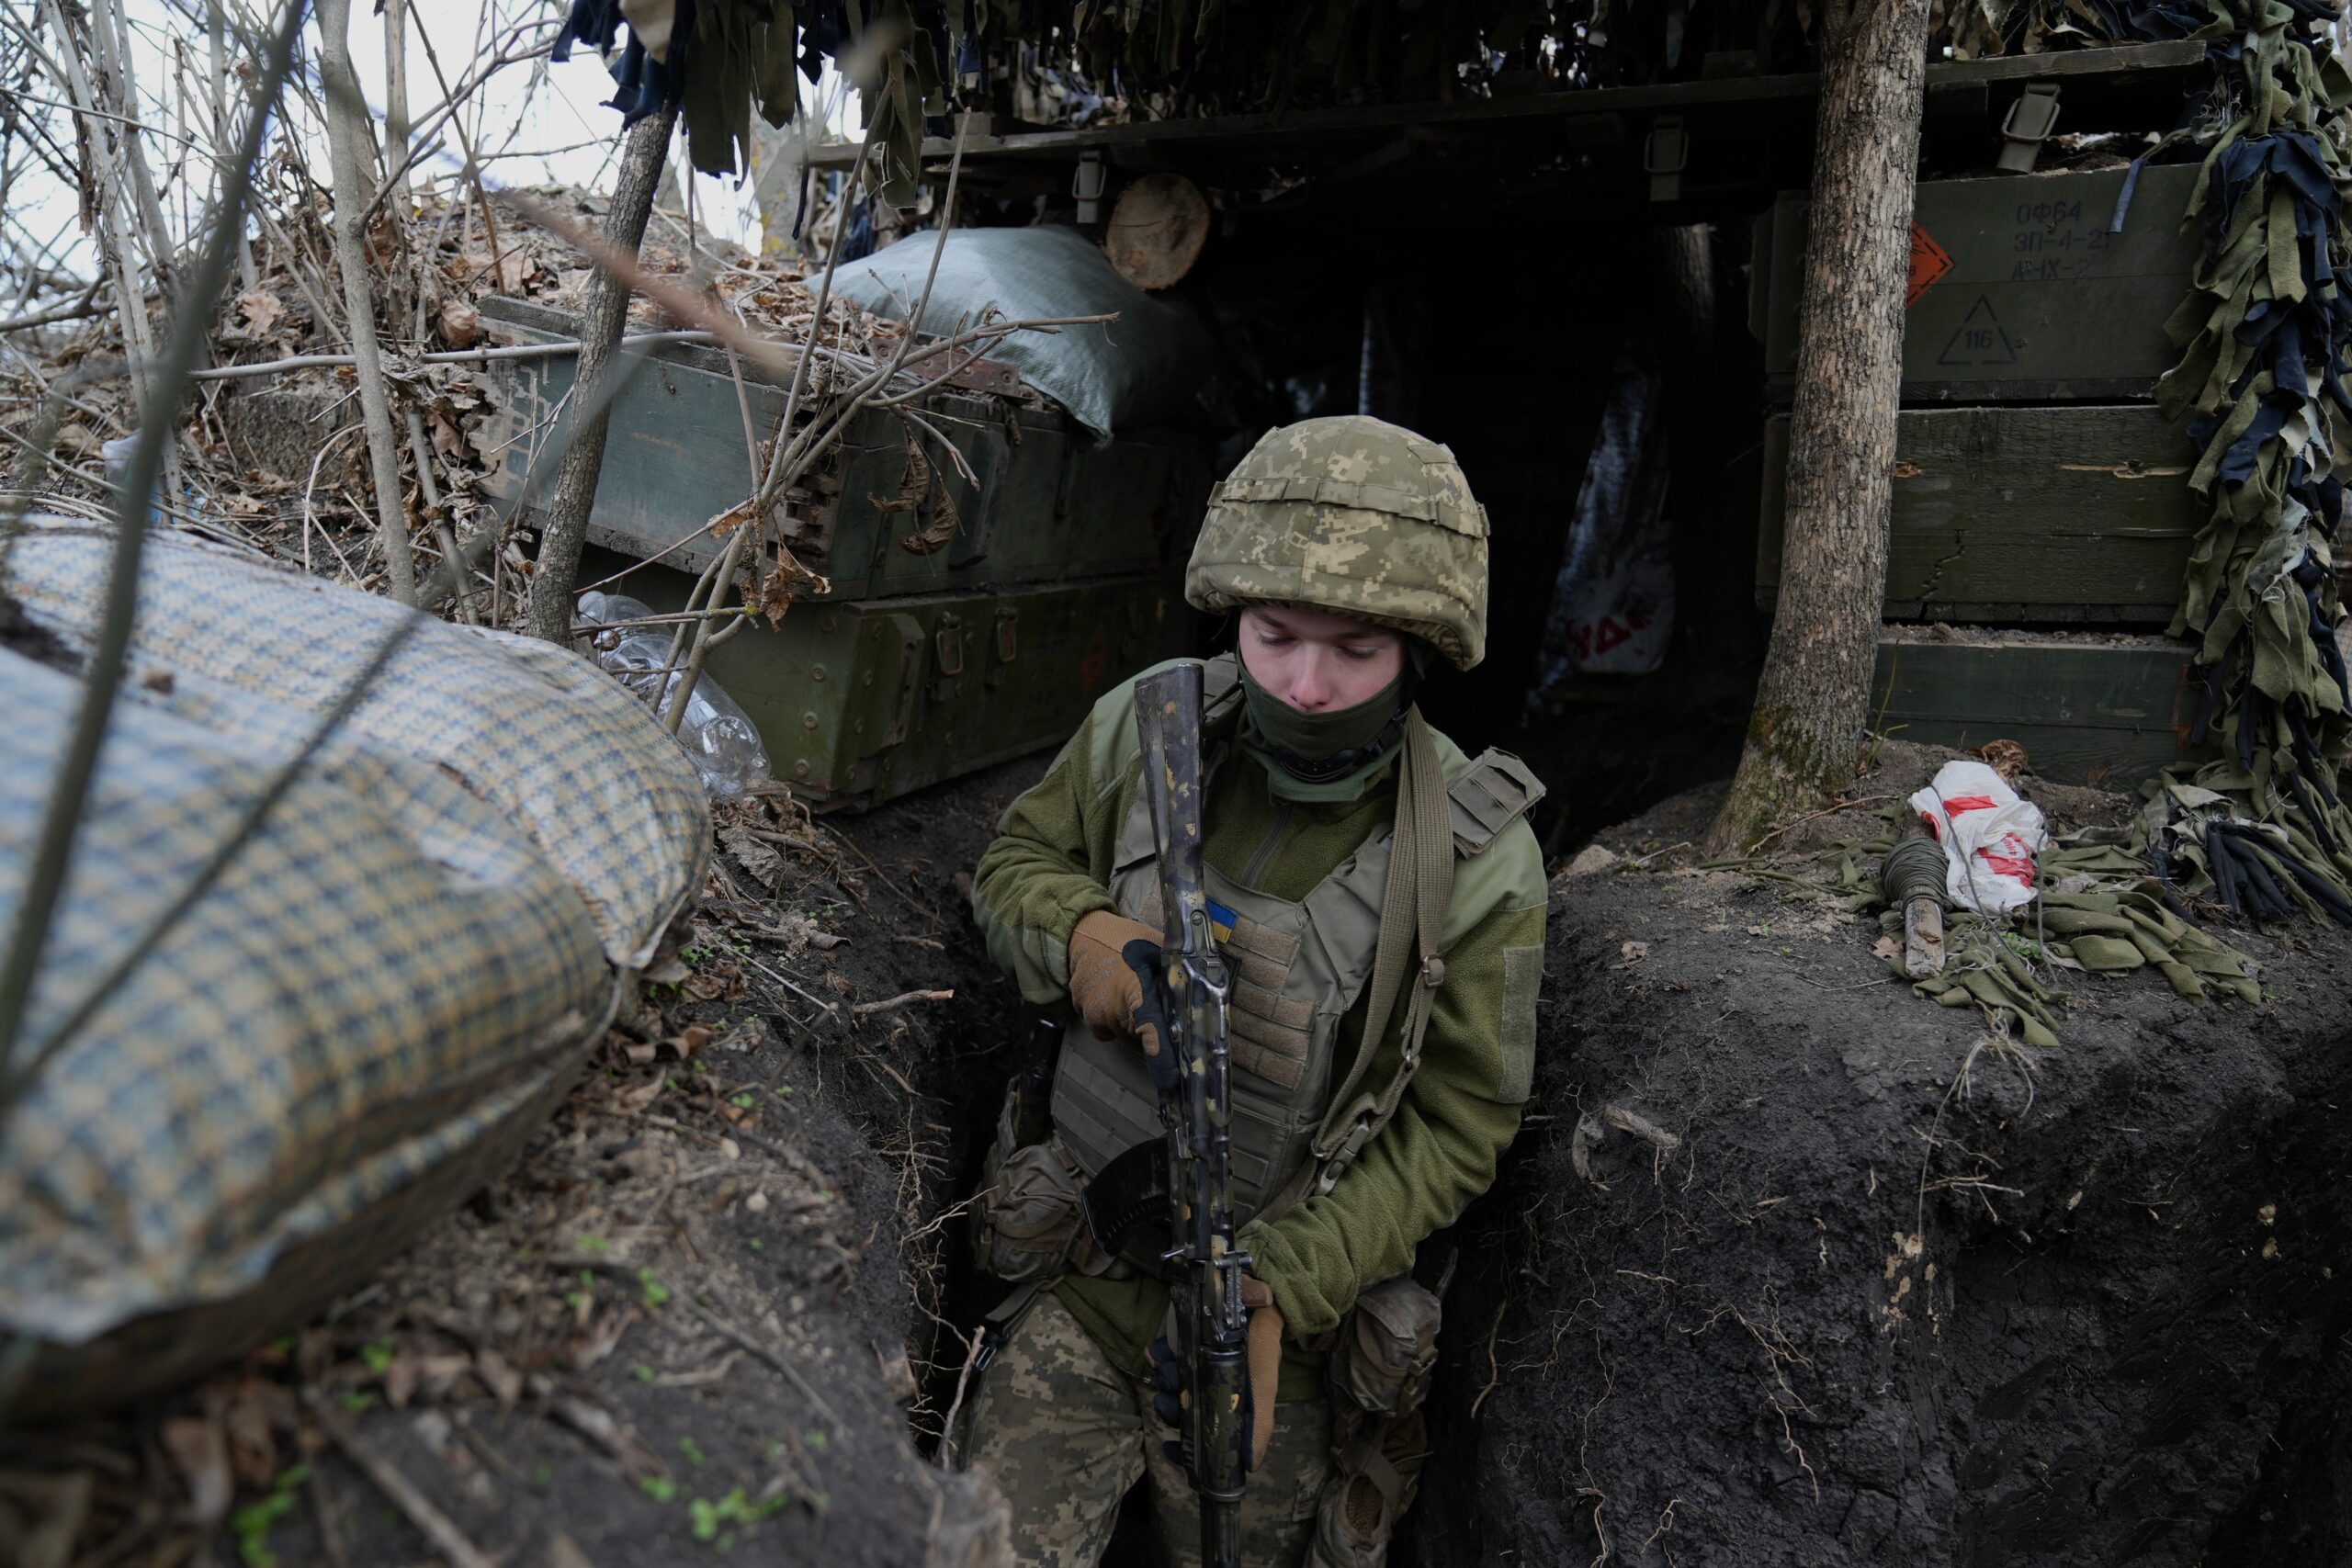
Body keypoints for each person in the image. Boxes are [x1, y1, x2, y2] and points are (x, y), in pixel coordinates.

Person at [957, 415, 1547, 1568]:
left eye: (1357, 650)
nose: (1308, 686)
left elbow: (1459, 1122)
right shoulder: (1147, 727)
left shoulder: (1478, 860)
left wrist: (1283, 1287)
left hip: (1272, 1327)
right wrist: (1086, 939)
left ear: (1421, 647)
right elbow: (1014, 862)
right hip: (1081, 1271)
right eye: (1273, 637)